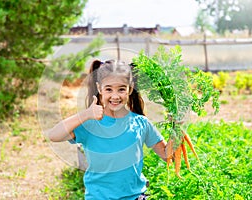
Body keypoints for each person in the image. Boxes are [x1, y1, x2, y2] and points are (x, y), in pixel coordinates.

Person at [48, 60, 168, 200]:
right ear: (99, 89)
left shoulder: (141, 123)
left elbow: (167, 155)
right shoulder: (89, 124)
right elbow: (54, 135)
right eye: (109, 89)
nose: (115, 96)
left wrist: (177, 130)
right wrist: (85, 114)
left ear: (130, 88)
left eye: (121, 89)